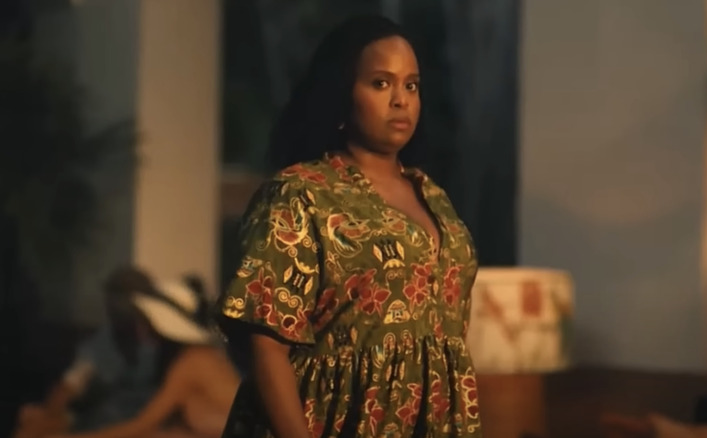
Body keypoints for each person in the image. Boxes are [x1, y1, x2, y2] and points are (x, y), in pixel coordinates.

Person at [215, 14, 482, 438]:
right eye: (381, 83)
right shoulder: (302, 194)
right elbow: (265, 345)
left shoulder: (435, 198)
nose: (401, 100)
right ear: (341, 95)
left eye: (411, 85)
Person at [44, 278, 240, 438]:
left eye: (146, 320)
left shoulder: (193, 361)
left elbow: (142, 425)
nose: (140, 326)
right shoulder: (192, 357)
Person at [13, 267, 161, 438]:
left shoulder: (162, 340)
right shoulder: (107, 338)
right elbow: (71, 384)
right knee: (31, 424)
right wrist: (47, 413)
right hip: (104, 419)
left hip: (141, 424)